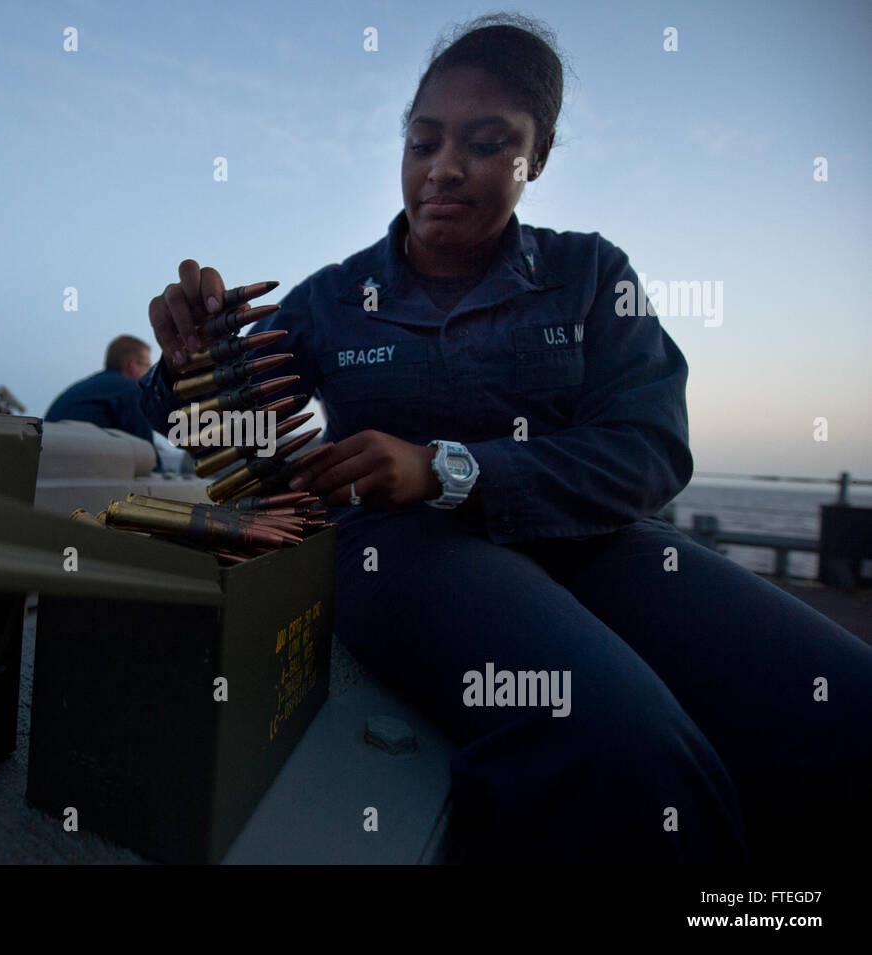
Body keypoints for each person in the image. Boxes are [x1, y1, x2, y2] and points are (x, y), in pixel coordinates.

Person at [138, 15, 872, 863]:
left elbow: (650, 446)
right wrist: (186, 357)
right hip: (401, 550)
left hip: (596, 540)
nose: (444, 169)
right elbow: (210, 427)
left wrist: (450, 467)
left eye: (489, 144)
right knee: (617, 742)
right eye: (423, 140)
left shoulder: (591, 273)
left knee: (842, 708)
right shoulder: (334, 297)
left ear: (539, 156)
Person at [45, 335, 161, 469]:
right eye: (147, 366)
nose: (149, 372)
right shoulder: (132, 390)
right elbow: (149, 459)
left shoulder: (90, 388)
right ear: (133, 366)